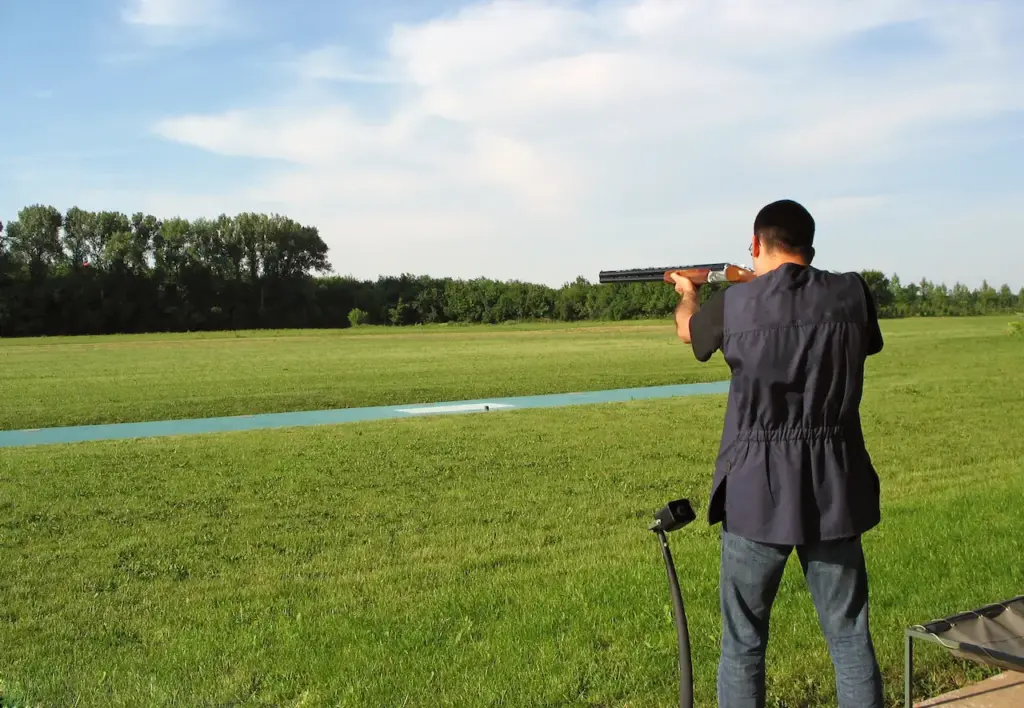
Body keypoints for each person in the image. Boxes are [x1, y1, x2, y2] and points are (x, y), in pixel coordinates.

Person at [670, 199, 885, 708]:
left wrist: (688, 292)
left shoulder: (736, 305)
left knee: (744, 645)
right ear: (809, 245)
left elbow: (688, 333)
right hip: (836, 486)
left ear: (755, 244)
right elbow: (861, 338)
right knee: (850, 639)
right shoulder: (852, 292)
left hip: (755, 492)